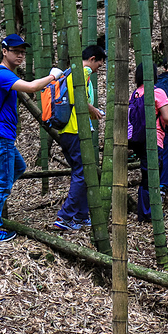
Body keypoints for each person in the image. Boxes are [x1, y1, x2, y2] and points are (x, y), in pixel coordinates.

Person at [0, 34, 63, 244]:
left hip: (1, 135)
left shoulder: (2, 73)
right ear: (4, 51)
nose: (20, 55)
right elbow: (31, 87)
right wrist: (53, 77)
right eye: (16, 51)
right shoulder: (3, 74)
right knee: (2, 184)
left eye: (23, 52)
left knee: (19, 167)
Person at [51, 44, 107, 231]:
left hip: (67, 131)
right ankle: (65, 217)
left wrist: (94, 113)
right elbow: (80, 99)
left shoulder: (69, 72)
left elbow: (78, 103)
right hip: (75, 131)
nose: (98, 69)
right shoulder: (82, 72)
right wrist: (94, 109)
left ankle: (81, 215)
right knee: (82, 173)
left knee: (81, 173)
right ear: (92, 59)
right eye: (99, 64)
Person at [127, 63, 168, 222]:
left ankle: (146, 212)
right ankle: (149, 214)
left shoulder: (135, 94)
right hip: (154, 139)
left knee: (146, 175)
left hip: (139, 140)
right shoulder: (157, 92)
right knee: (152, 177)